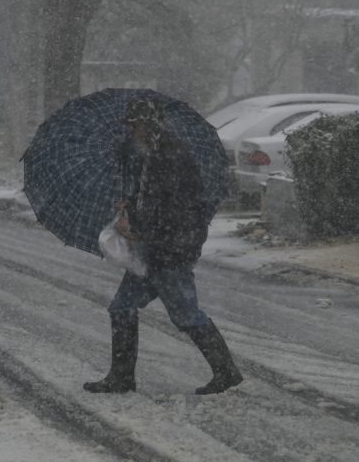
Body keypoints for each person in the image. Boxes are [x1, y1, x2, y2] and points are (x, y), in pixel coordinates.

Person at [83, 95, 243, 396]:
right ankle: (121, 377)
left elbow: (172, 209)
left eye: (134, 125)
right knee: (122, 308)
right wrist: (130, 207)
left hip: (171, 252)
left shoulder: (170, 156)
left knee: (186, 315)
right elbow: (153, 201)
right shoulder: (152, 153)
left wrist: (136, 228)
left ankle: (226, 371)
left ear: (148, 124)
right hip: (155, 250)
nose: (131, 130)